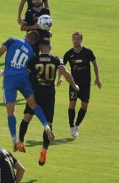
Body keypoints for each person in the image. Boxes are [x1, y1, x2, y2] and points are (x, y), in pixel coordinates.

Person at [0, 30, 54, 153]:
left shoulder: (12, 40)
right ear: (34, 41)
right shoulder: (31, 52)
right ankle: (46, 125)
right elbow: (27, 67)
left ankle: (15, 138)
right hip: (22, 78)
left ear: (26, 35)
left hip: (10, 79)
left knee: (10, 111)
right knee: (33, 104)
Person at [19, 37, 79, 166]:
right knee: (48, 123)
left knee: (27, 118)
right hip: (49, 94)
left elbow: (24, 74)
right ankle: (44, 149)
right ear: (50, 47)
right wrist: (74, 86)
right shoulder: (56, 59)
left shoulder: (34, 60)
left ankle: (21, 141)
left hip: (35, 94)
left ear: (40, 48)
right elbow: (65, 73)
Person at [58, 32, 101, 138]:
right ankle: (71, 126)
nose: (76, 41)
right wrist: (59, 77)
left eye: (78, 39)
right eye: (74, 39)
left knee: (84, 105)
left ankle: (77, 125)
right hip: (73, 83)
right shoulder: (68, 53)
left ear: (81, 40)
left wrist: (97, 78)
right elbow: (61, 66)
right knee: (72, 104)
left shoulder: (88, 52)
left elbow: (95, 64)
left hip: (86, 83)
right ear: (72, 40)